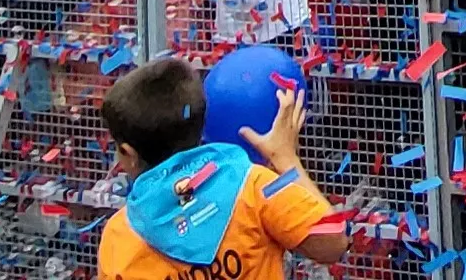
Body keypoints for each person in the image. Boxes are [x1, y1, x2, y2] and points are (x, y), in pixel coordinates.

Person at [93, 57, 346, 280]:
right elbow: (333, 241)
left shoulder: (120, 235)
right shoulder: (256, 184)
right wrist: (286, 159)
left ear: (129, 154)